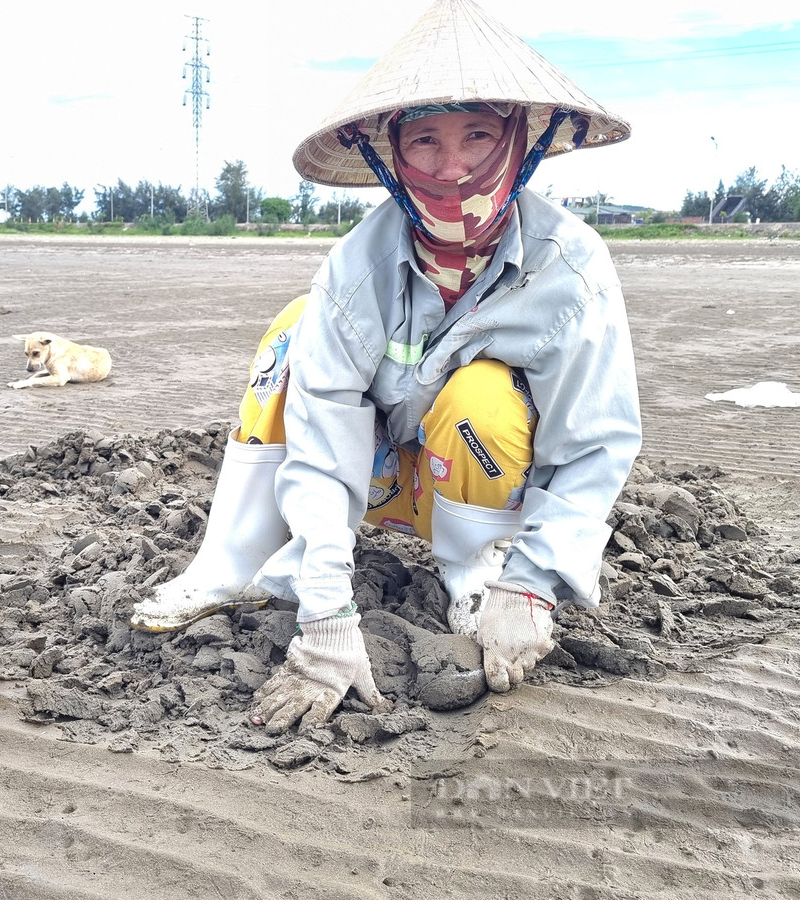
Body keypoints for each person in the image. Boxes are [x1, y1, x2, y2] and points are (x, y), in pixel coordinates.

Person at [131, 0, 642, 735]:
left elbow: (594, 444)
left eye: (477, 134)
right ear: (391, 155)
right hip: (374, 480)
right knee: (292, 331)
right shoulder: (354, 271)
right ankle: (230, 563)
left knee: (483, 396)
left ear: (521, 140)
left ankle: (479, 579)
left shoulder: (572, 268)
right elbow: (321, 445)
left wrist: (535, 583)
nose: (453, 164)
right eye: (425, 140)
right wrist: (328, 615)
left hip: (473, 480)